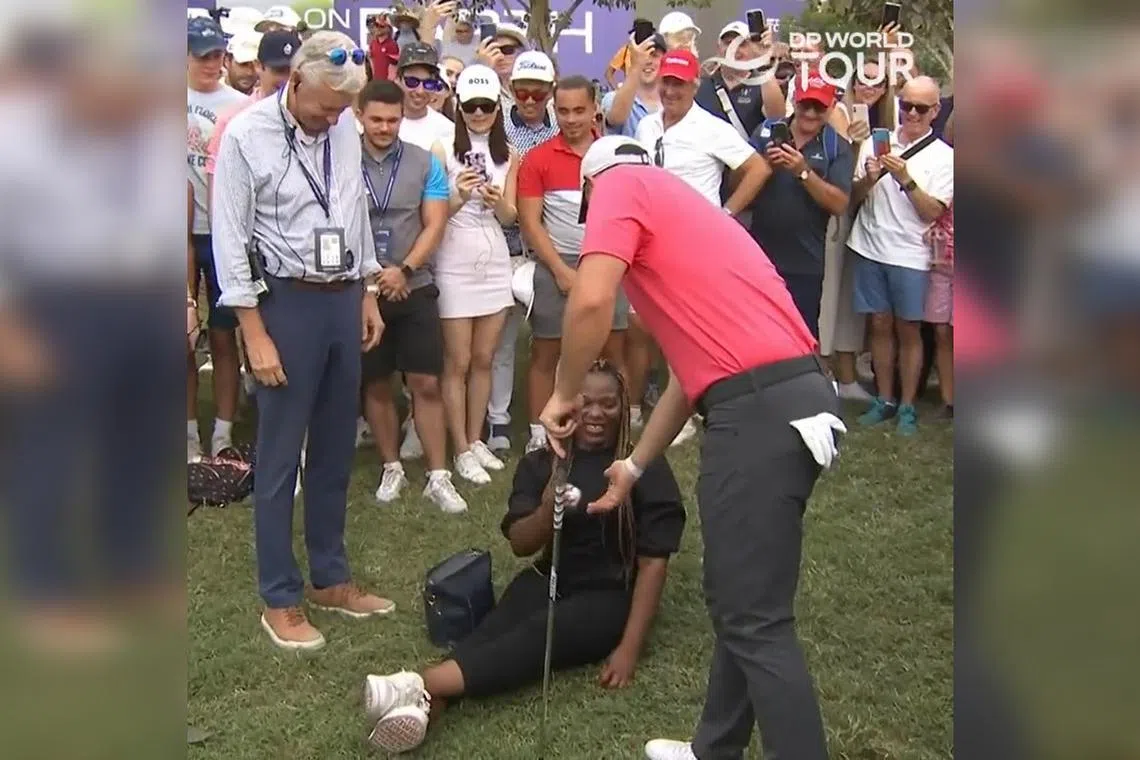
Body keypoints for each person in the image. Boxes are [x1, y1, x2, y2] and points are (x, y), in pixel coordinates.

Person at [539, 135, 846, 760]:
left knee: (755, 620)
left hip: (758, 413)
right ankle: (715, 750)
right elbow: (690, 373)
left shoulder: (621, 187)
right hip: (791, 395)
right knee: (746, 601)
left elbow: (591, 298)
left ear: (595, 189)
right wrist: (633, 465)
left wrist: (562, 392)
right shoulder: (689, 211)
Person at [361, 360, 686, 754]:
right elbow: (520, 543)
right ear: (565, 404)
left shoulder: (638, 466)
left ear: (623, 406)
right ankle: (430, 706)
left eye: (609, 404)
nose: (596, 414)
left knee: (534, 638)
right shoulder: (541, 462)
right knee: (494, 632)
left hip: (609, 595)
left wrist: (629, 648)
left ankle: (417, 684)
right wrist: (548, 506)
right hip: (549, 575)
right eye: (584, 403)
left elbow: (654, 563)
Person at [212, 31, 392, 650]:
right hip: (283, 303)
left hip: (342, 296)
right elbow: (229, 239)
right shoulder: (244, 135)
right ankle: (280, 597)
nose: (332, 119)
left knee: (337, 448)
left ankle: (329, 578)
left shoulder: (340, 126)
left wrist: (367, 290)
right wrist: (253, 331)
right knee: (281, 456)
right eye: (322, 107)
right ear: (292, 81)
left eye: (342, 110)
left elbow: (351, 210)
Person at [355, 79, 469, 514]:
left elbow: (435, 223)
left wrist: (404, 269)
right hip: (364, 289)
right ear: (359, 116)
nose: (385, 127)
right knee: (377, 381)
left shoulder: (425, 161)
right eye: (377, 119)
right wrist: (373, 276)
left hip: (414, 284)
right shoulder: (342, 161)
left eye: (393, 119)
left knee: (424, 381)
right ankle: (391, 466)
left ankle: (438, 475)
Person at [518, 76, 627, 454]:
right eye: (562, 111)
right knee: (546, 352)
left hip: (610, 261)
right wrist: (561, 272)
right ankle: (537, 432)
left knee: (613, 351)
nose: (571, 119)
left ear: (595, 107)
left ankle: (619, 429)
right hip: (556, 263)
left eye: (579, 110)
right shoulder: (539, 158)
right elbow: (530, 223)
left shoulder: (615, 154)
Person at [848, 76, 954, 435]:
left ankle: (908, 405)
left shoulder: (945, 158)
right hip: (869, 245)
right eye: (906, 105)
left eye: (920, 108)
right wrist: (870, 178)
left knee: (908, 330)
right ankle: (885, 398)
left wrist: (905, 178)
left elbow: (931, 212)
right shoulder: (876, 143)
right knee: (878, 324)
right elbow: (854, 197)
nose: (911, 113)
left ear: (935, 111)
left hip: (911, 254)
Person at [435, 64, 519, 485]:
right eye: (472, 106)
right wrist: (459, 194)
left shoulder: (509, 156)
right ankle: (460, 448)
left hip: (493, 256)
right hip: (453, 255)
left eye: (487, 106)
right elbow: (433, 215)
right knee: (458, 361)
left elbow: (511, 216)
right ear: (460, 107)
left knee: (484, 358)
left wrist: (495, 199)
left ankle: (475, 438)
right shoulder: (441, 150)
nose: (480, 113)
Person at [486, 50, 561, 454]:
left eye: (537, 92)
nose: (529, 100)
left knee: (554, 339)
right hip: (503, 243)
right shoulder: (496, 127)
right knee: (503, 339)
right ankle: (498, 420)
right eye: (521, 92)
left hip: (549, 244)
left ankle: (553, 415)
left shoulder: (562, 126)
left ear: (551, 90)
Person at [748, 74, 854, 338]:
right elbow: (734, 183)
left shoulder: (836, 146)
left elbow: (839, 203)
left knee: (802, 334)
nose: (809, 113)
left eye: (818, 107)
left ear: (830, 107)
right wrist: (764, 166)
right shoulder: (765, 133)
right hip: (759, 256)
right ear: (794, 100)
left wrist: (803, 172)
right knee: (756, 329)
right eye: (805, 104)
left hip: (805, 261)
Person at [187, 16, 247, 463]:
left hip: (223, 235)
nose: (213, 63)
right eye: (202, 55)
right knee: (181, 338)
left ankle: (223, 433)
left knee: (225, 335)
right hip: (170, 235)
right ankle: (189, 435)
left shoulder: (241, 105)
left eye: (217, 55)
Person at [393, 42, 454, 153]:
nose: (420, 91)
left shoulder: (447, 129)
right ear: (397, 80)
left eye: (428, 83)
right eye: (412, 82)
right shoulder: (381, 123)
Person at [602, 34, 664, 138]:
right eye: (642, 55)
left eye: (654, 55)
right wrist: (636, 67)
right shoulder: (612, 98)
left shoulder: (673, 103)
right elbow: (616, 119)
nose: (647, 61)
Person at [366, 12, 399, 81]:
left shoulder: (392, 45)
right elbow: (372, 62)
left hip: (387, 85)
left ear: (388, 29)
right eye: (376, 25)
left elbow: (394, 67)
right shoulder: (373, 43)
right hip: (375, 82)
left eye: (381, 26)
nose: (378, 28)